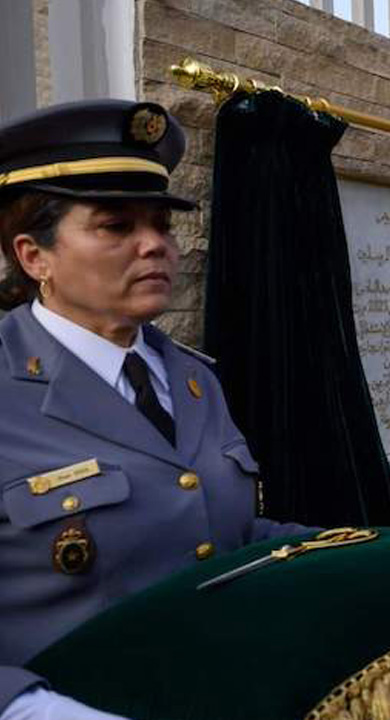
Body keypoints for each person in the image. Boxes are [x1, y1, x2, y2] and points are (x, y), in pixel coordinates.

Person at [0, 100, 315, 720]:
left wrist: (363, 556)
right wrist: (33, 709)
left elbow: (224, 535)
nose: (155, 247)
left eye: (163, 227)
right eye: (116, 227)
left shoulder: (195, 378)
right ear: (35, 256)